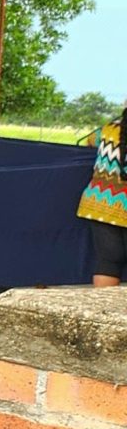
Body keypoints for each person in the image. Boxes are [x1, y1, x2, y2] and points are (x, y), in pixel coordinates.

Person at [83, 98, 125, 288]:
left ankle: (102, 316)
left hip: (100, 204)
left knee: (108, 262)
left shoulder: (107, 130)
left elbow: (89, 141)